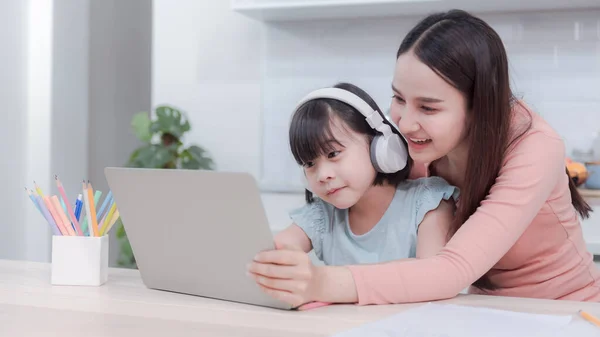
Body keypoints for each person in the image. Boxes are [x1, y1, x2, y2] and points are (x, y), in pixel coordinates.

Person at [247, 9, 600, 306]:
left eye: (428, 107)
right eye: (398, 98)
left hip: (563, 310)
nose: (404, 122)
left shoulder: (535, 146)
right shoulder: (409, 145)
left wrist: (322, 283)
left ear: (479, 107)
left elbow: (450, 269)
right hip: (484, 309)